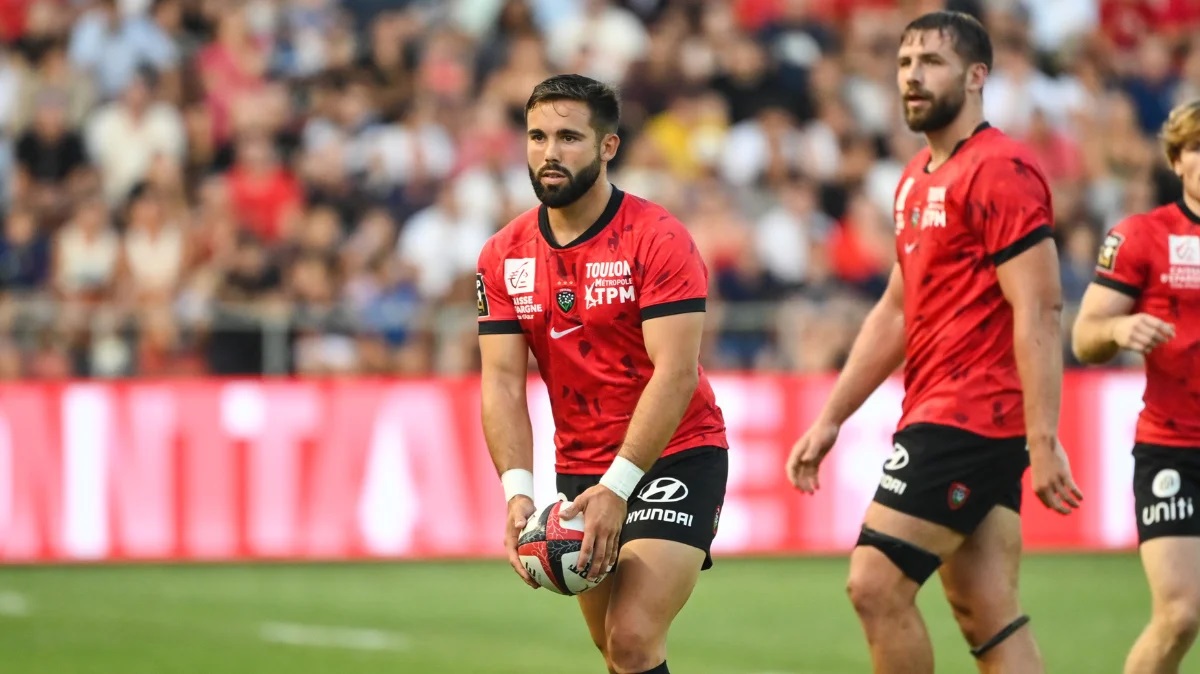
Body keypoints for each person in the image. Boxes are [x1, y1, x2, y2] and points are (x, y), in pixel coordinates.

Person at [784, 11, 1083, 673]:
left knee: (874, 582)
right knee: (987, 613)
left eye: (931, 62)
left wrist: (1043, 436)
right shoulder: (915, 178)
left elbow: (1038, 305)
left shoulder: (1001, 168)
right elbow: (896, 308)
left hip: (974, 417)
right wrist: (832, 416)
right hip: (939, 409)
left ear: (977, 77)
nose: (912, 76)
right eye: (904, 62)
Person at [476, 73, 728, 674]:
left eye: (568, 137)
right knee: (617, 655)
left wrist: (618, 488)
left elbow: (676, 374)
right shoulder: (502, 254)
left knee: (634, 636)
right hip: (580, 464)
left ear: (607, 147)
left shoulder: (657, 238)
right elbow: (503, 384)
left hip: (675, 453)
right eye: (537, 136)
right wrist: (518, 491)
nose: (548, 153)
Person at [1072, 99, 1200, 674]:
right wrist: (1121, 327)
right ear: (1177, 160)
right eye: (1198, 147)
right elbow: (1085, 337)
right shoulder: (1142, 237)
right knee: (1180, 613)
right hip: (1175, 446)